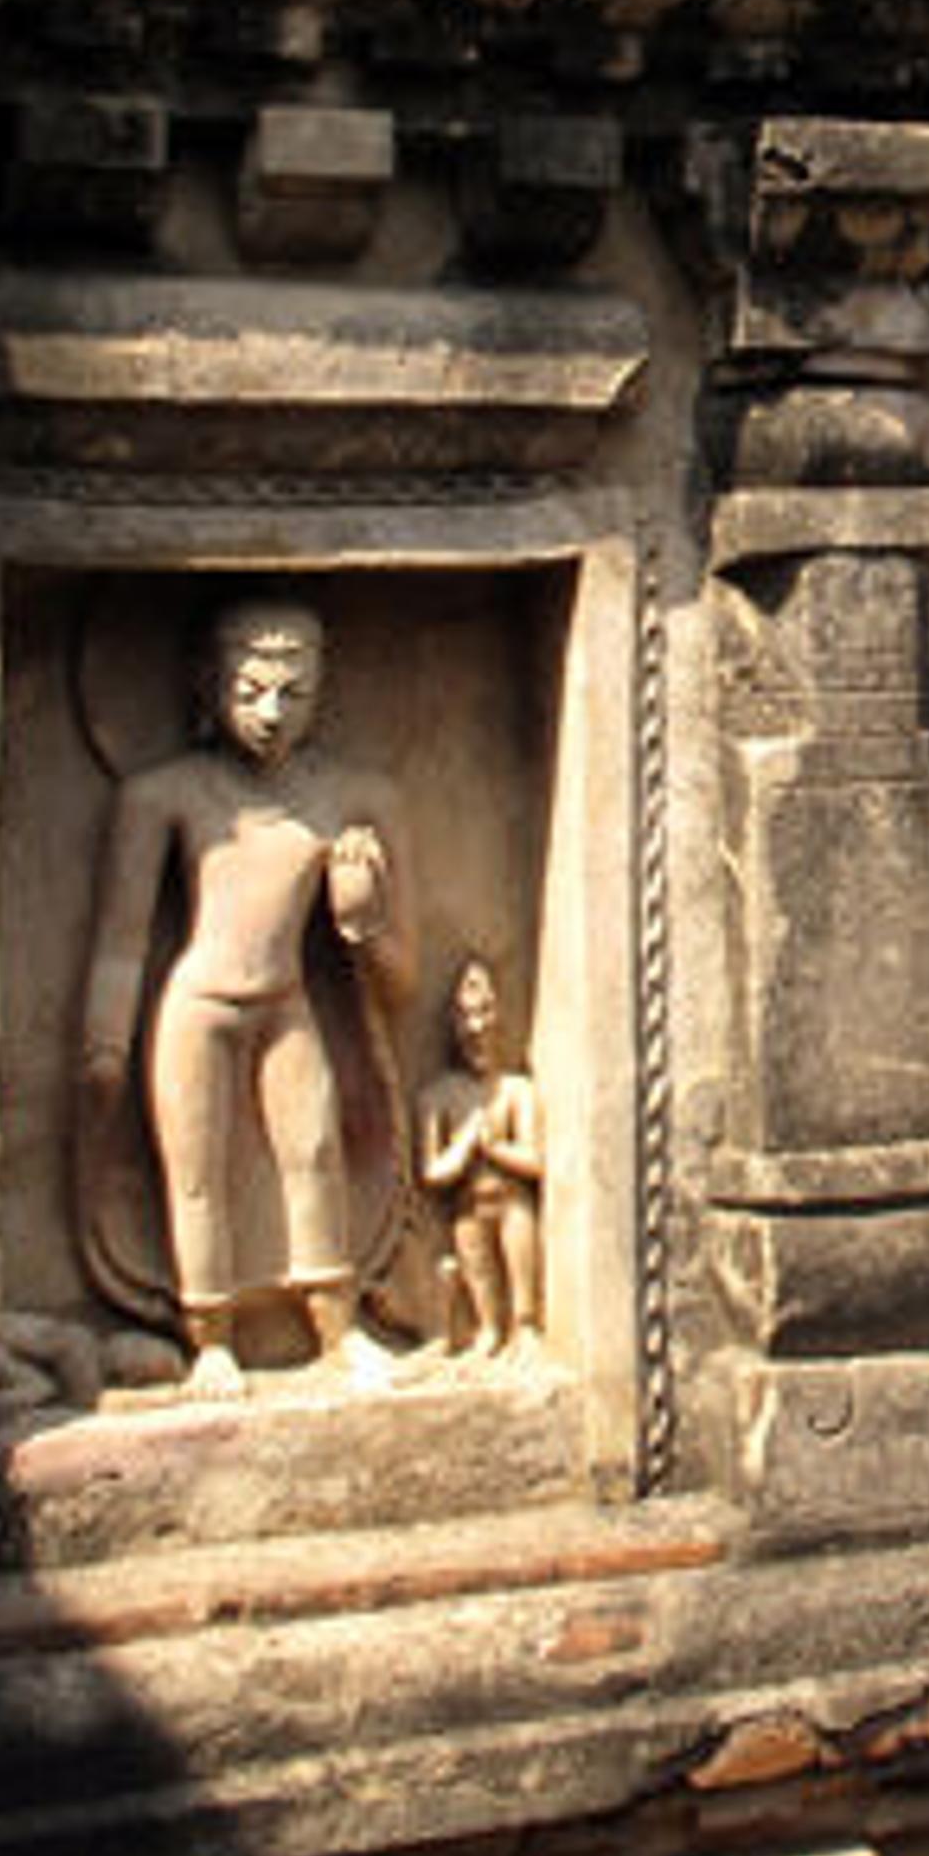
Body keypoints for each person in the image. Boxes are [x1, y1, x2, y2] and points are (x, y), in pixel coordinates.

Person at [83, 597, 412, 1394]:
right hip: (198, 1006)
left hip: (286, 1002)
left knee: (315, 1155)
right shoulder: (164, 795)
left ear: (321, 692)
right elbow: (123, 940)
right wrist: (103, 1042)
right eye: (251, 689)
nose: (271, 712)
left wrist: (362, 919)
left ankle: (337, 1328)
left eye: (293, 693)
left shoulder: (354, 797)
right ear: (209, 685)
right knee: (197, 1174)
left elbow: (403, 987)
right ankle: (212, 1342)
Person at [416, 958, 544, 1360]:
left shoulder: (515, 1090)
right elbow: (432, 1172)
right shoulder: (438, 1096)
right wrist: (465, 1145)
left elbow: (536, 1162)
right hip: (468, 1209)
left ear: (499, 1017)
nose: (476, 1027)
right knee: (481, 1277)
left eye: (484, 1012)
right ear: (453, 1026)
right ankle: (487, 1330)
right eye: (466, 1016)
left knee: (520, 1280)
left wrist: (495, 1150)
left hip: (512, 1204)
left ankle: (525, 1328)